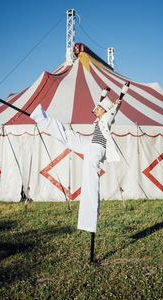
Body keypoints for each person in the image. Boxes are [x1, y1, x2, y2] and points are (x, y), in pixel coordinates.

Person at [30, 94, 122, 233]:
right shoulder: (98, 120)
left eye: (97, 108)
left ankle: (89, 222)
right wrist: (103, 96)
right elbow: (100, 109)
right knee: (69, 136)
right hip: (91, 145)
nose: (94, 110)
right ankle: (40, 116)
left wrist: (116, 104)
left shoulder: (107, 117)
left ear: (104, 110)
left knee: (90, 181)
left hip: (97, 150)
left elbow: (112, 111)